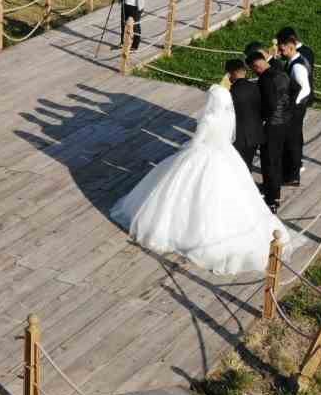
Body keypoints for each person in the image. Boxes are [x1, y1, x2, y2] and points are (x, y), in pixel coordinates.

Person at [109, 82, 296, 274]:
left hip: (203, 154)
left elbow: (198, 140)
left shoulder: (209, 118)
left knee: (183, 190)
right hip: (225, 155)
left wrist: (186, 151)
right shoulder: (228, 115)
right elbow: (228, 137)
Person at [252, 47, 294, 212]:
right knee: (277, 159)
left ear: (257, 66)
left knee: (269, 162)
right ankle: (275, 191)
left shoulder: (265, 79)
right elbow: (295, 90)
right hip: (284, 123)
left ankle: (272, 199)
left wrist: (262, 119)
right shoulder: (281, 72)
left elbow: (268, 105)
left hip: (271, 126)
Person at [275, 28, 314, 188]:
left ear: (290, 46)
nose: (280, 50)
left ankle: (292, 175)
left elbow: (305, 88)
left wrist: (293, 105)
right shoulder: (295, 61)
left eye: (282, 47)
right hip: (297, 108)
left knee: (292, 141)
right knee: (294, 139)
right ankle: (292, 172)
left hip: (295, 110)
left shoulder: (297, 67)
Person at [226, 57, 263, 173]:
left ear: (231, 73)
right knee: (248, 165)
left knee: (238, 167)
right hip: (255, 134)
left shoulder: (230, 93)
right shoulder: (256, 87)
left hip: (239, 137)